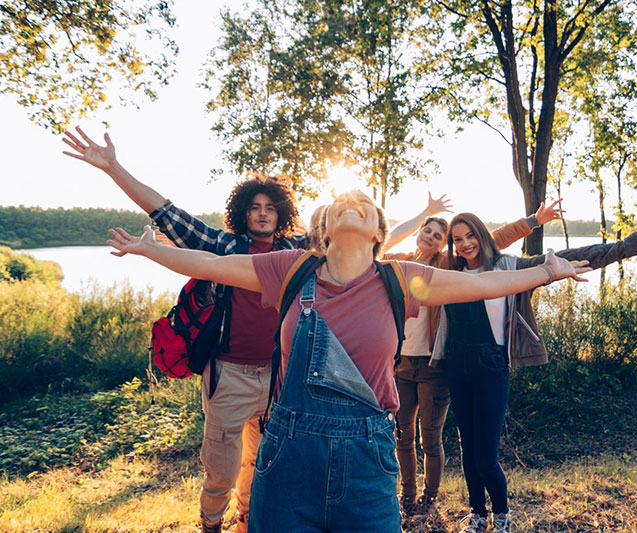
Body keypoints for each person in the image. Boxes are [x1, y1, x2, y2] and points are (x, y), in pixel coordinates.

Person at [104, 189, 592, 533]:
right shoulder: (290, 268)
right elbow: (210, 265)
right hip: (288, 453)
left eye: (364, 205)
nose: (352, 204)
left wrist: (547, 271)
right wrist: (148, 250)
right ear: (325, 227)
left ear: (379, 231)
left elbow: (484, 284)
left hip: (367, 457)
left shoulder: (401, 279)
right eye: (342, 203)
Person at [62, 127, 307, 533]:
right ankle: (210, 524)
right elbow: (167, 213)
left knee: (262, 461)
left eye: (270, 207)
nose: (262, 212)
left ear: (281, 214)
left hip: (278, 376)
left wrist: (419, 222)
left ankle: (248, 518)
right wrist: (113, 167)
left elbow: (354, 243)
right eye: (254, 207)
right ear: (243, 213)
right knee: (221, 469)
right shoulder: (224, 247)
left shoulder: (295, 253)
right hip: (228, 375)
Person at [431, 213, 637, 533]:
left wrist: (626, 247)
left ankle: (502, 517)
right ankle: (477, 515)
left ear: (481, 234)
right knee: (467, 451)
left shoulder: (509, 266)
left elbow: (566, 259)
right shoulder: (449, 271)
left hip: (492, 366)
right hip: (457, 366)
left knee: (486, 457)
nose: (464, 244)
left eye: (469, 235)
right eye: (457, 239)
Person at [385, 197, 564, 521]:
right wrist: (425, 213)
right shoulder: (397, 263)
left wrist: (533, 221)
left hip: (433, 364)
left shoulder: (444, 268)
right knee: (403, 437)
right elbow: (386, 239)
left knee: (432, 439)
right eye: (428, 231)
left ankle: (433, 498)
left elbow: (490, 240)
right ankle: (409, 496)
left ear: (444, 246)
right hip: (401, 364)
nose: (431, 237)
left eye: (439, 236)